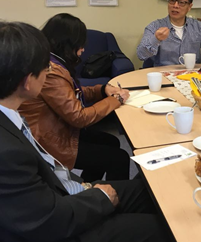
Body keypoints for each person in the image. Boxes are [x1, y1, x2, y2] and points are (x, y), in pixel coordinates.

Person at [0, 21, 183, 242]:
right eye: (45, 67)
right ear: (28, 81)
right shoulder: (0, 156)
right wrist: (100, 197)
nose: (49, 72)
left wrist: (89, 191)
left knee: (151, 190)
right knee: (171, 232)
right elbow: (52, 222)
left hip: (55, 197)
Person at [19, 13, 131, 182]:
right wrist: (116, 100)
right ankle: (113, 197)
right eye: (80, 44)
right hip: (50, 141)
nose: (83, 49)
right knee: (119, 158)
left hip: (59, 128)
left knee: (111, 142)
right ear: (67, 43)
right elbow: (79, 117)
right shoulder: (51, 71)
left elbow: (70, 93)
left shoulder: (50, 60)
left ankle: (89, 188)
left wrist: (102, 90)